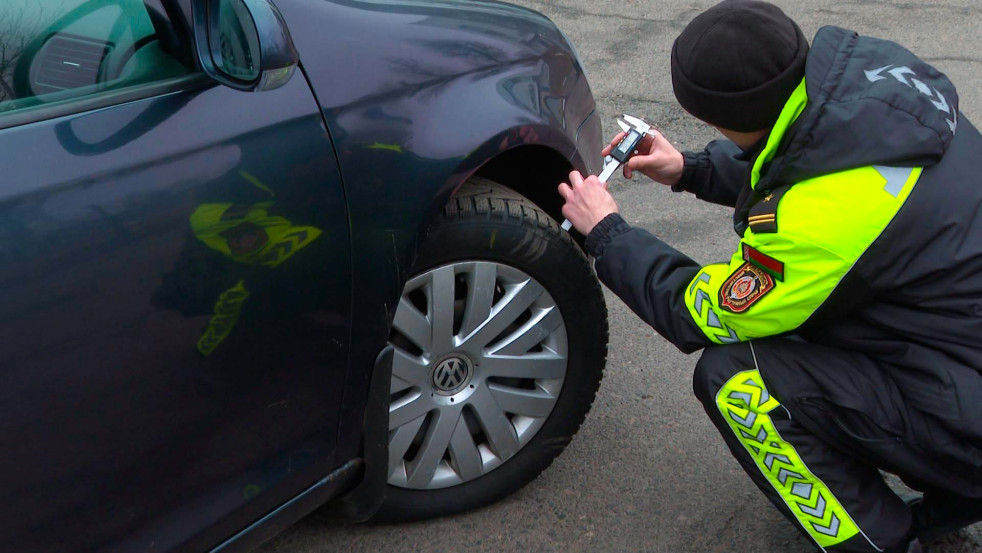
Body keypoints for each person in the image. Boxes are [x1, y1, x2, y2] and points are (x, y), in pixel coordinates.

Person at [558, 1, 982, 552]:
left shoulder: (821, 223)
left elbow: (704, 313)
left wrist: (608, 233)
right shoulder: (876, 85)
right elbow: (809, 159)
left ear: (715, 115)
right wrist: (692, 169)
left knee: (738, 380)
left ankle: (883, 542)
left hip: (966, 408)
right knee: (802, 317)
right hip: (957, 342)